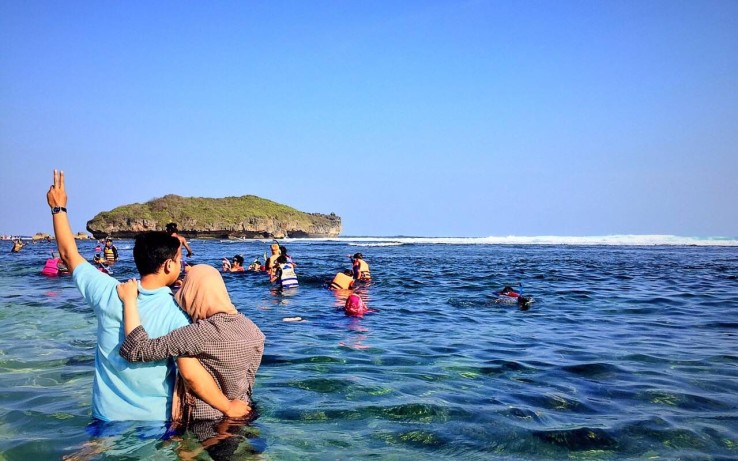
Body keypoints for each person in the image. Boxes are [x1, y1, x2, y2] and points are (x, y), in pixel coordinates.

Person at [46, 169, 247, 422]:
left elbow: (68, 254)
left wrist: (59, 209)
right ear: (167, 266)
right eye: (178, 259)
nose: (182, 264)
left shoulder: (109, 292)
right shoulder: (178, 313)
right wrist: (228, 407)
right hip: (154, 421)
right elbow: (191, 374)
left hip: (106, 416)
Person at [118, 264, 265, 422]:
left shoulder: (198, 333)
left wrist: (129, 300)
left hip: (206, 419)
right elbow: (248, 382)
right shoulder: (254, 331)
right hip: (244, 410)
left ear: (194, 293)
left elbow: (136, 349)